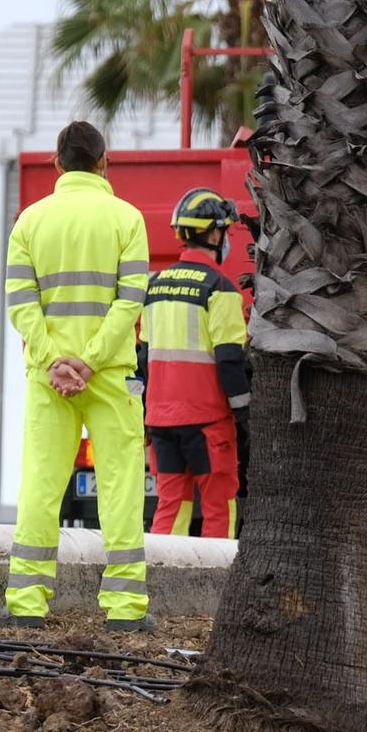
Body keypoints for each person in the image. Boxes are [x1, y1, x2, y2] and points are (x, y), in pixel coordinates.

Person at [3, 121, 152, 631]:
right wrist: (89, 361)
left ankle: (26, 603)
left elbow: (20, 304)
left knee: (41, 487)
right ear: (104, 161)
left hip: (49, 380)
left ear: (57, 162)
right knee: (120, 488)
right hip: (109, 377)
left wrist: (54, 361)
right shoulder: (127, 219)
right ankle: (125, 609)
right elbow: (129, 301)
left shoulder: (29, 222)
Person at [138, 188, 249, 539]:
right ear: (214, 234)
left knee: (170, 506)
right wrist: (247, 417)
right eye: (225, 231)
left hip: (161, 421)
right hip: (208, 423)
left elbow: (142, 358)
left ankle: (162, 588)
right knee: (218, 507)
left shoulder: (154, 287)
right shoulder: (221, 289)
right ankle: (214, 591)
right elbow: (230, 360)